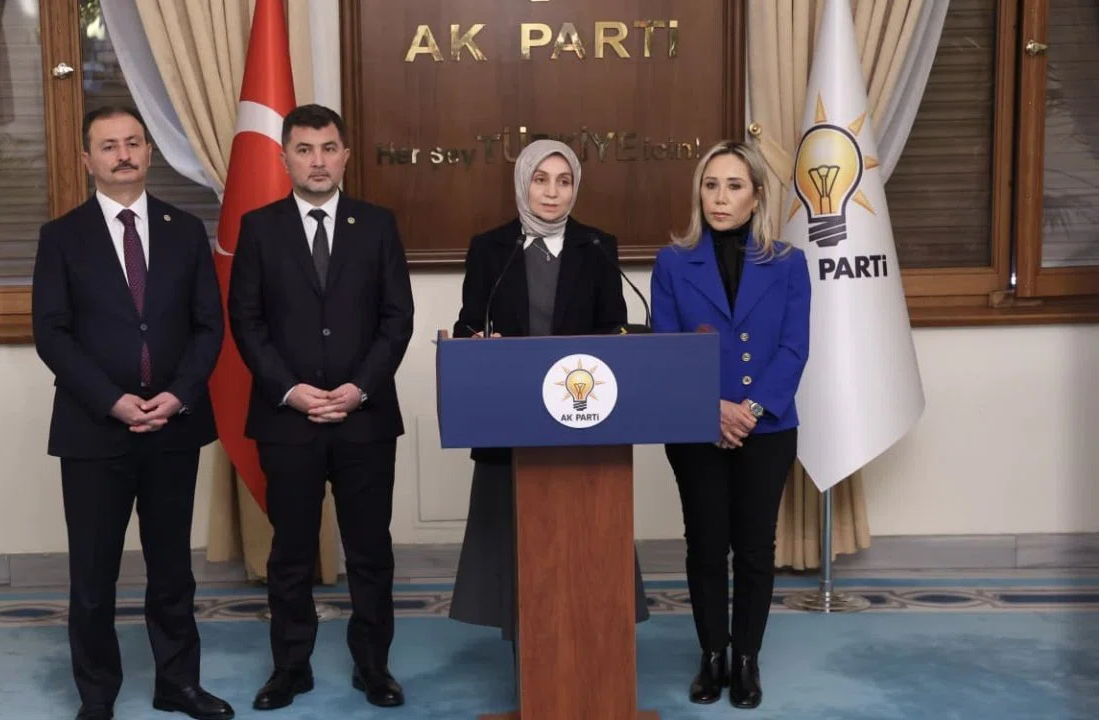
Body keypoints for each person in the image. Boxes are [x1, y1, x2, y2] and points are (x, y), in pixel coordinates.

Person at [31, 106, 234, 720]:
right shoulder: (61, 237)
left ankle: (178, 684)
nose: (122, 154)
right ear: (86, 160)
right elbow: (52, 333)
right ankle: (97, 696)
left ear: (149, 152)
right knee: (93, 577)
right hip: (94, 430)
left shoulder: (185, 230)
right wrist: (112, 401)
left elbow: (209, 325)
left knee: (173, 570)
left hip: (174, 426)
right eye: (108, 145)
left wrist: (180, 394)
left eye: (132, 143)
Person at [228, 104, 415, 711]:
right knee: (291, 554)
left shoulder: (378, 225)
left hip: (365, 418)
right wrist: (290, 389)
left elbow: (397, 318)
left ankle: (374, 668)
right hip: (288, 419)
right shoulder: (259, 228)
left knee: (370, 552)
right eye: (304, 149)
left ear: (345, 156)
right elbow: (246, 322)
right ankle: (290, 669)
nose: (317, 161)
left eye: (328, 148)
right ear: (284, 157)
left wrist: (360, 388)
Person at [448, 139, 650, 650]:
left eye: (564, 181)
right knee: (518, 542)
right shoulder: (490, 248)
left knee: (586, 534)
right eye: (541, 180)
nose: (552, 192)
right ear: (523, 183)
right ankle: (530, 642)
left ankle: (592, 634)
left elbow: (614, 328)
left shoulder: (598, 246)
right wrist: (480, 340)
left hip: (583, 420)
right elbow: (469, 322)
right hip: (511, 420)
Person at [650, 140, 811, 710]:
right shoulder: (672, 262)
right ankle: (711, 655)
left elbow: (793, 349)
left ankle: (746, 660)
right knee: (705, 545)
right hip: (696, 429)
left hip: (767, 430)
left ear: (757, 196)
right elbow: (667, 347)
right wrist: (711, 408)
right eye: (711, 185)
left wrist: (749, 410)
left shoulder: (788, 263)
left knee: (754, 549)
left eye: (734, 186)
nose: (720, 197)